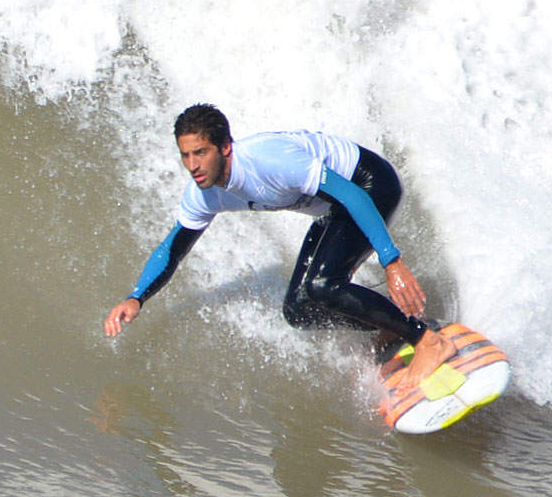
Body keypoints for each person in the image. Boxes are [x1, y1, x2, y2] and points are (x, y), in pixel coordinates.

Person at [102, 103, 455, 381]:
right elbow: (173, 250)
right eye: (185, 155)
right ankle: (390, 326)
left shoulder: (269, 159)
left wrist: (391, 261)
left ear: (225, 147)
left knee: (323, 285)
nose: (193, 165)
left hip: (369, 185)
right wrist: (137, 297)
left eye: (201, 152)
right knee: (298, 311)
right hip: (336, 208)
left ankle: (426, 340)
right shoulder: (204, 194)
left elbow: (350, 193)